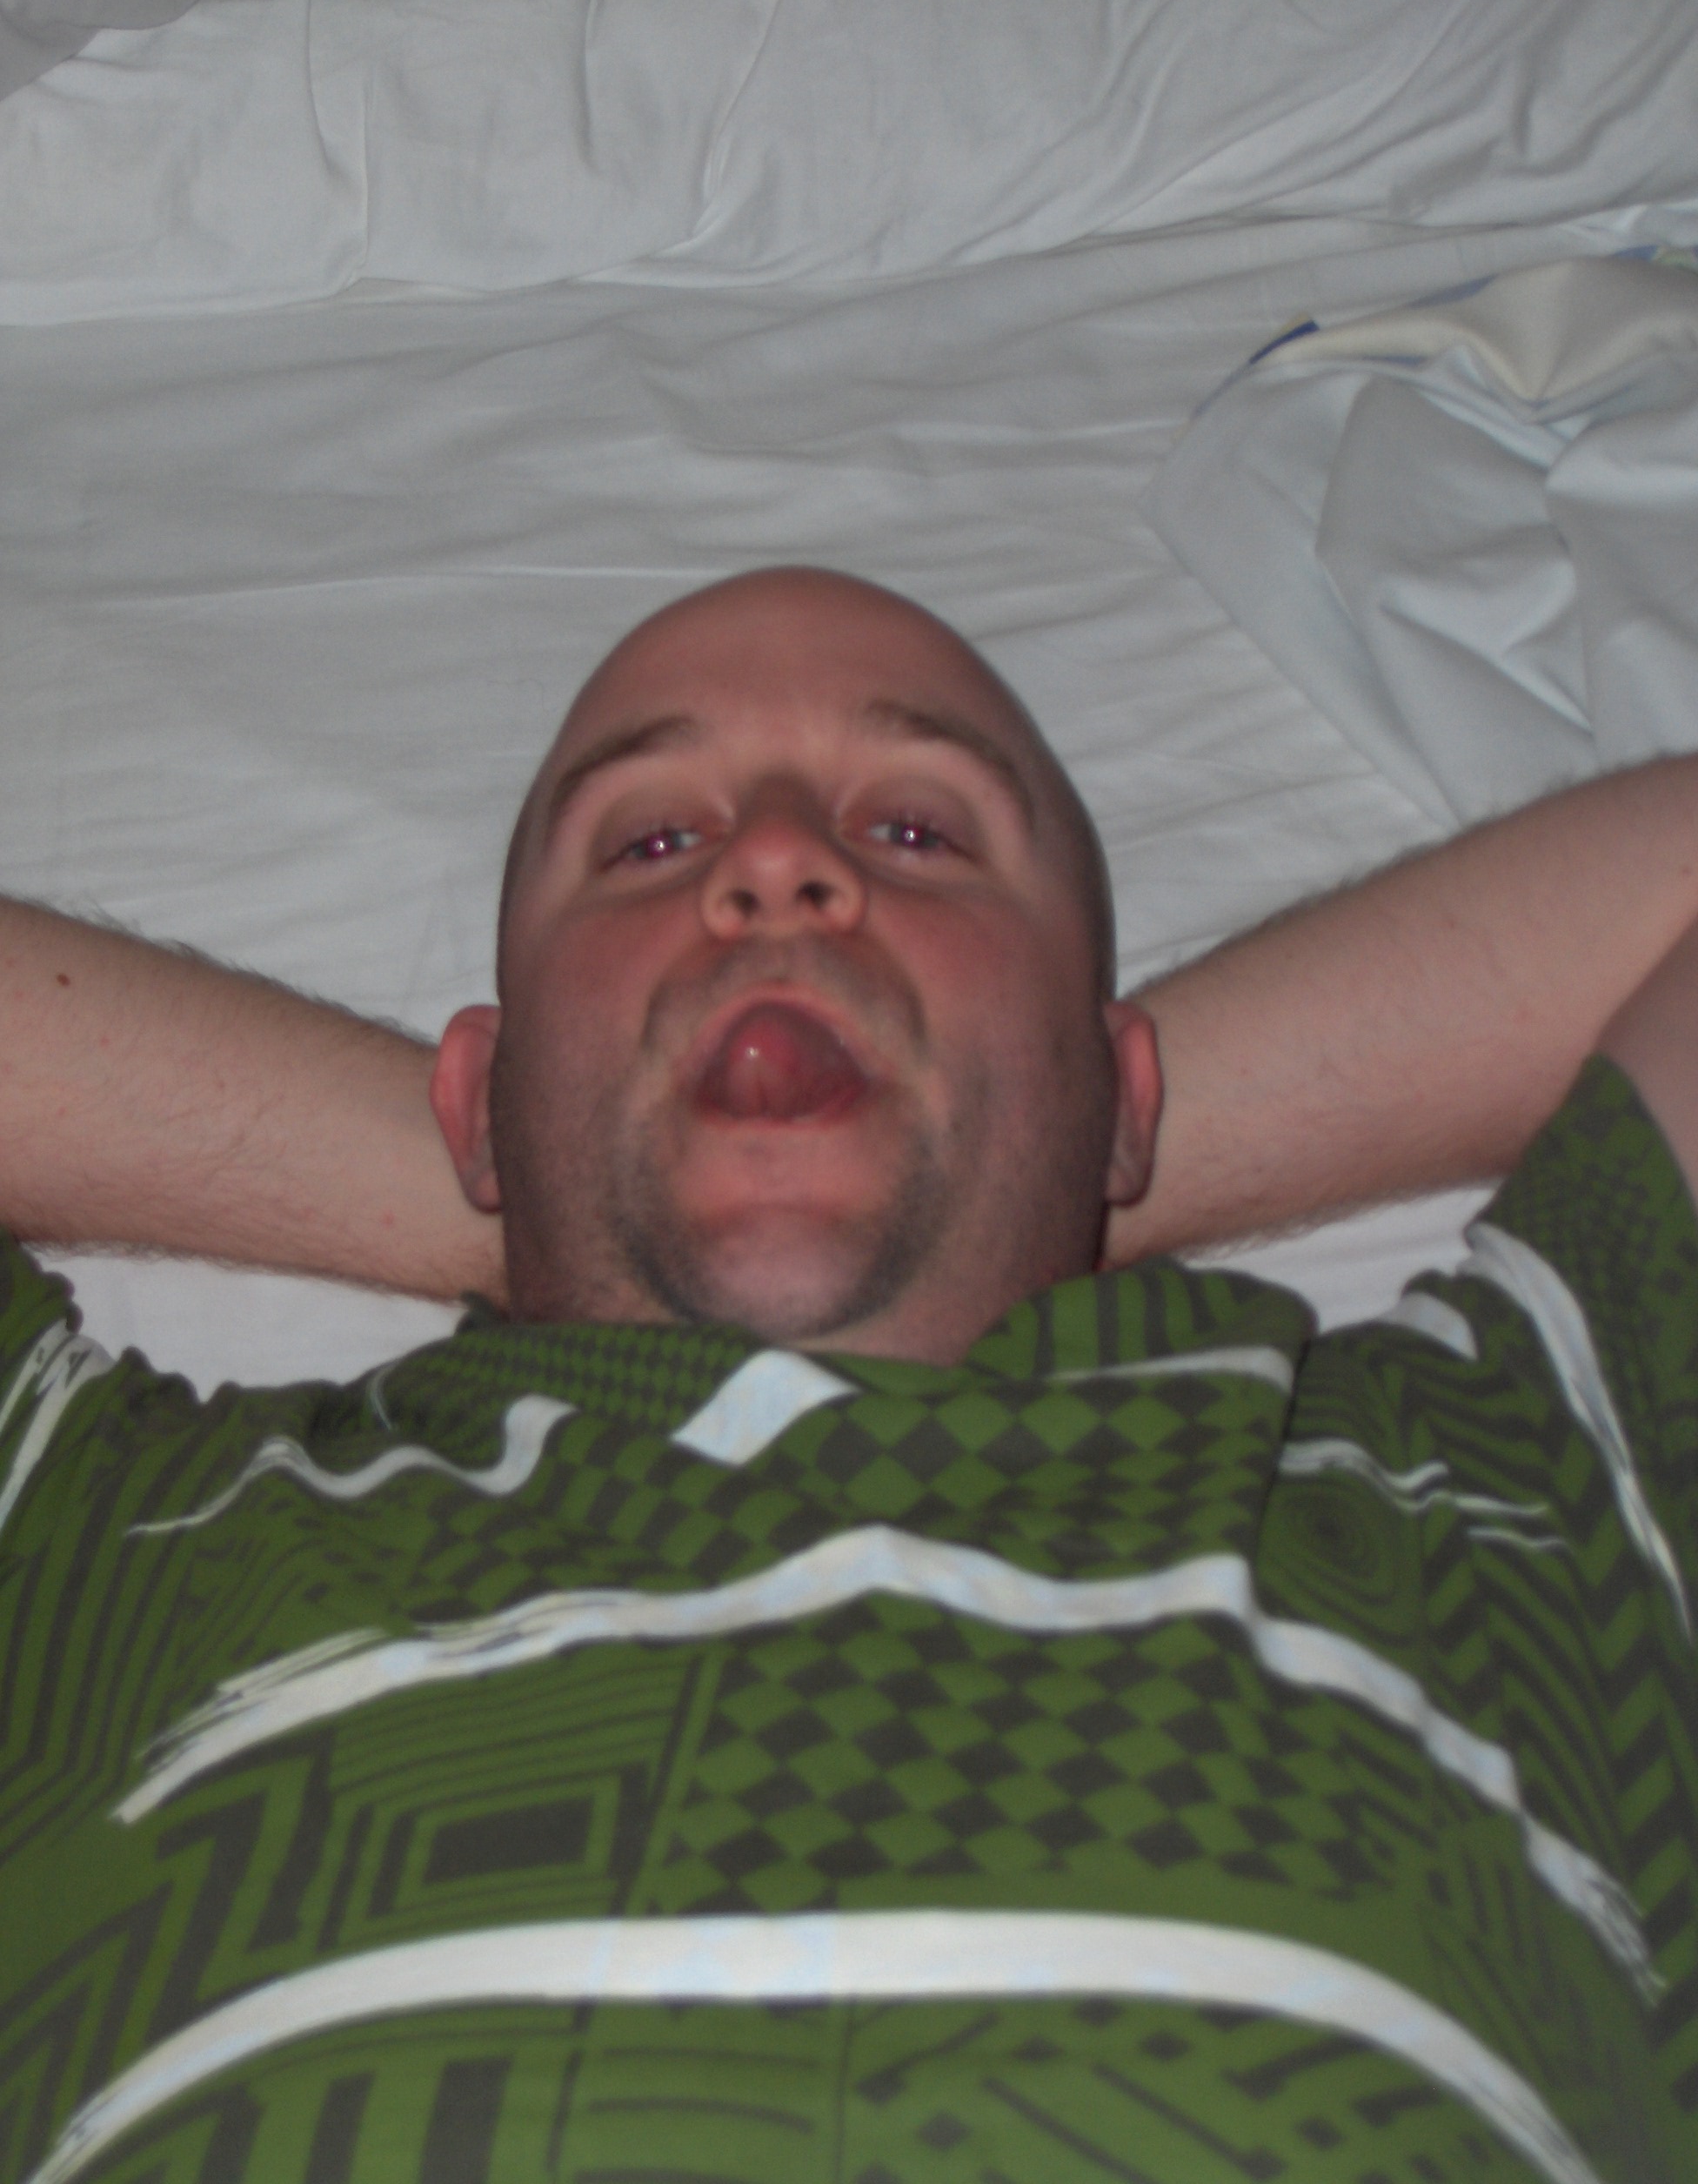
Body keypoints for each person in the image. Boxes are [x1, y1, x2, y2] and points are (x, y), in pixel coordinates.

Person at [1, 566, 1695, 2184]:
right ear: (477, 1101)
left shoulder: (1494, 1497)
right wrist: (563, 1168)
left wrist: (1021, 1142)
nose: (777, 866)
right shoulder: (116, 1544)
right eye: (652, 842)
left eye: (916, 834)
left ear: (1127, 1095)